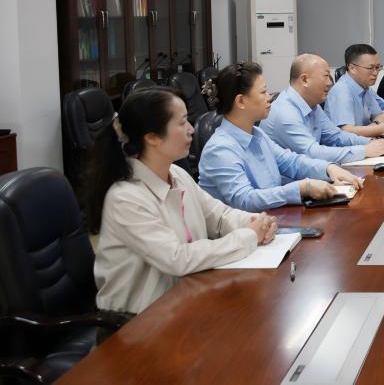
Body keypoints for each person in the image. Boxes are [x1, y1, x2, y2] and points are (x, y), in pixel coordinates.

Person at [86, 88, 277, 315]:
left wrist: (255, 222)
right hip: (138, 320)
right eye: (182, 123)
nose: (191, 130)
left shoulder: (176, 174)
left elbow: (219, 216)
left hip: (184, 298)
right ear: (152, 137)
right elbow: (176, 258)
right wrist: (248, 236)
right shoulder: (125, 197)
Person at [199, 62, 364, 212]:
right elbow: (245, 200)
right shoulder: (219, 149)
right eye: (263, 92)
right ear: (241, 101)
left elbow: (291, 162)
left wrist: (328, 169)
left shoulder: (257, 134)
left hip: (272, 219)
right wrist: (301, 188)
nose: (269, 97)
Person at [262, 54, 384, 164]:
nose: (330, 83)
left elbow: (336, 136)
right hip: (293, 183)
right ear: (305, 80)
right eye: (326, 76)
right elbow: (312, 152)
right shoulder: (286, 112)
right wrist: (365, 150)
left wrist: (370, 142)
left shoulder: (312, 104)